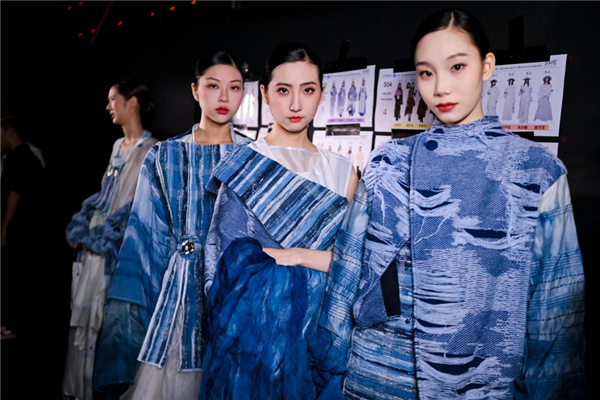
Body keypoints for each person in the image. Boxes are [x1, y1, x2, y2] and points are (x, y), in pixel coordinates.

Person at [313, 8, 586, 399]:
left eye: (457, 67)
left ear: (487, 66)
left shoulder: (536, 170)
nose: (441, 87)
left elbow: (555, 308)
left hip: (478, 381)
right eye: (426, 73)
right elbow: (347, 270)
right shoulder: (387, 161)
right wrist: (327, 370)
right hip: (377, 372)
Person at [200, 42, 358, 400]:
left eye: (308, 90)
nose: (296, 104)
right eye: (284, 90)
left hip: (324, 339)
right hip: (254, 347)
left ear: (322, 94)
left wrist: (295, 255)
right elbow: (224, 268)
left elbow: (356, 265)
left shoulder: (343, 171)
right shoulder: (243, 166)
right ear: (265, 94)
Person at [93, 50, 250, 400]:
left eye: (235, 87)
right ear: (195, 90)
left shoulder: (254, 156)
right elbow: (144, 238)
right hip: (179, 296)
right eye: (213, 86)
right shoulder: (164, 155)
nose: (224, 97)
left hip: (235, 295)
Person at [62, 78, 158, 400]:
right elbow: (105, 195)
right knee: (87, 319)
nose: (108, 106)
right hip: (95, 247)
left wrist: (104, 236)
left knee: (113, 321)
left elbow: (138, 206)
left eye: (113, 98)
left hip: (121, 249)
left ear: (132, 102)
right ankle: (82, 389)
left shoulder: (151, 149)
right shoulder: (118, 146)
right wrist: (86, 228)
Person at [1, 115, 46, 336]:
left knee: (14, 276)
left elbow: (14, 194)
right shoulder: (30, 155)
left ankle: (12, 324)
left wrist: (4, 227)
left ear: (10, 131)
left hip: (19, 227)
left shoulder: (18, 157)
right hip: (29, 228)